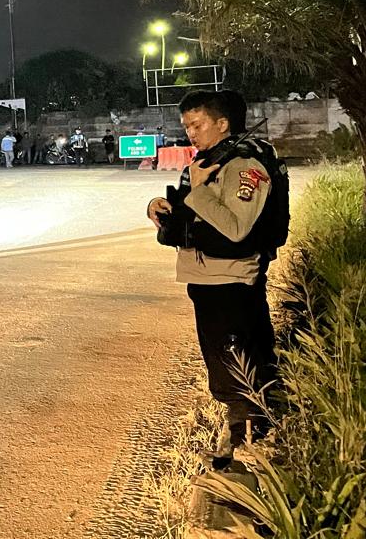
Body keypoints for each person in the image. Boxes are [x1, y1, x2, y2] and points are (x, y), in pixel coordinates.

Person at [146, 90, 285, 460]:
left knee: (236, 361)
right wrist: (159, 206)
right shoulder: (210, 162)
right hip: (207, 276)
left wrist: (198, 188)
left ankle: (247, 443)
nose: (191, 133)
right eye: (186, 126)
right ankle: (246, 430)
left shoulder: (245, 166)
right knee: (223, 358)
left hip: (231, 279)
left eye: (197, 124)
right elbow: (190, 211)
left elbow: (236, 228)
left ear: (222, 123)